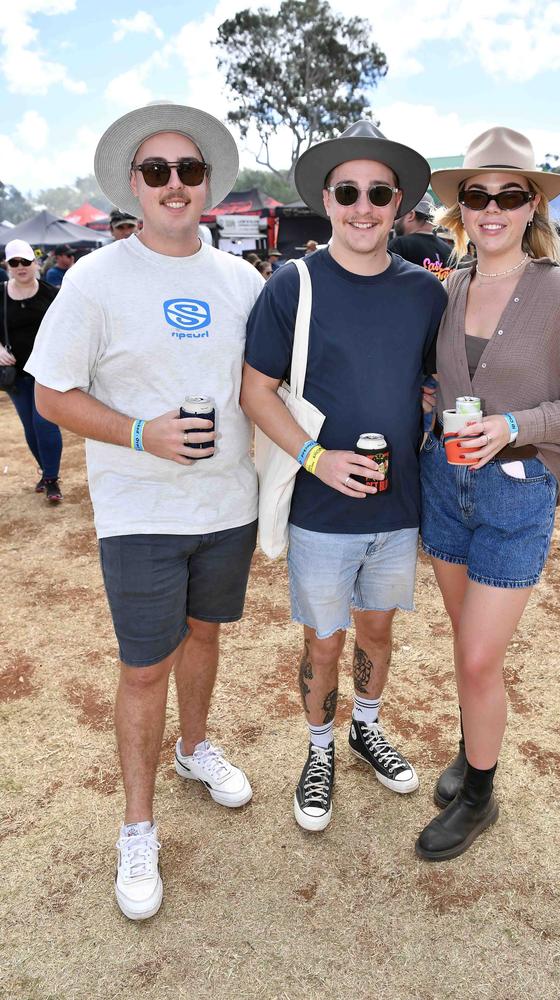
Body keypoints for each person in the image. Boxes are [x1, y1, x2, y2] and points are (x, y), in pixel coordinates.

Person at [26, 101, 264, 921]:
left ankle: (195, 750)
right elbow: (49, 392)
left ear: (208, 187)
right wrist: (140, 432)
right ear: (134, 184)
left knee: (206, 635)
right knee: (142, 666)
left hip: (228, 502)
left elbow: (264, 386)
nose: (173, 184)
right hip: (141, 511)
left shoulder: (242, 279)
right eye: (157, 171)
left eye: (188, 171)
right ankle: (137, 826)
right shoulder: (94, 278)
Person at [416, 126, 560, 862]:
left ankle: (480, 793)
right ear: (460, 207)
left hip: (517, 492)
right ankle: (474, 749)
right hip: (445, 484)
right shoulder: (453, 286)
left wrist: (515, 424)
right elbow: (441, 384)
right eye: (478, 194)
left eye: (509, 194)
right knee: (469, 650)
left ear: (532, 205)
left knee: (476, 657)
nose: (491, 208)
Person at [241, 120, 447, 833]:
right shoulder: (292, 285)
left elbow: (431, 381)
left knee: (379, 632)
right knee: (323, 640)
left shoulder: (426, 294)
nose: (364, 206)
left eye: (379, 192)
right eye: (349, 191)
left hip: (398, 507)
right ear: (327, 200)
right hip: (319, 513)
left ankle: (366, 727)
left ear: (399, 205)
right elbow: (255, 391)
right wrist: (316, 458)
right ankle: (319, 749)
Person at [0, 239, 63, 501]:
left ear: (35, 263)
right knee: (30, 426)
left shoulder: (51, 293)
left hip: (47, 372)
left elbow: (70, 326)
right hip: (17, 375)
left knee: (45, 422)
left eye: (25, 261)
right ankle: (46, 472)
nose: (21, 267)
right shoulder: (1, 293)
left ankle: (51, 479)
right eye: (14, 262)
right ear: (7, 265)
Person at [389, 192, 452, 281]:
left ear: (411, 215)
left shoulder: (400, 245)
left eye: (398, 214)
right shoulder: (449, 251)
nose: (395, 220)